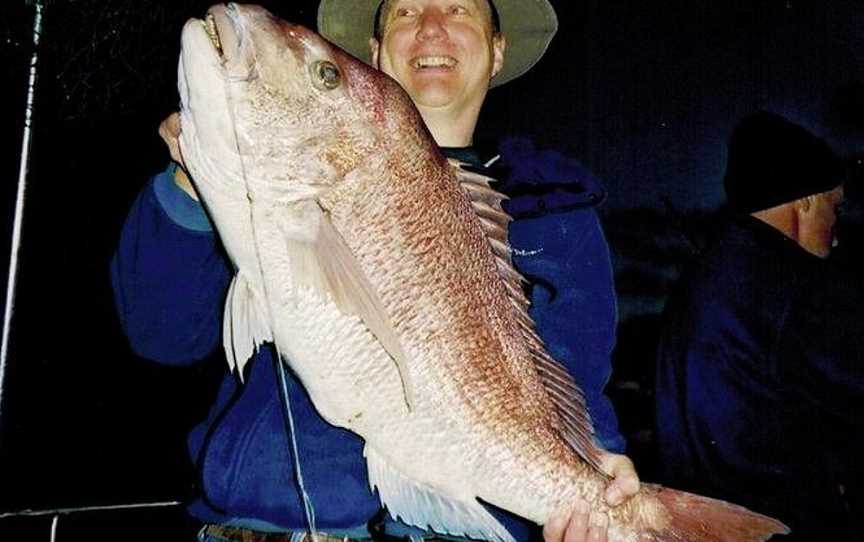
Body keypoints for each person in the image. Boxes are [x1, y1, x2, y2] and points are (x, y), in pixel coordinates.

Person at [112, 1, 640, 540]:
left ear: (497, 49)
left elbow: (575, 387)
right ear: (373, 52)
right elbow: (161, 335)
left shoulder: (552, 213)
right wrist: (189, 186)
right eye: (405, 13)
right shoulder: (251, 189)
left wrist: (601, 474)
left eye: (458, 9)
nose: (431, 28)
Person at [655, 111, 864, 541]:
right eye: (834, 208)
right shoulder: (797, 286)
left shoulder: (701, 279)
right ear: (804, 200)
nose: (837, 233)